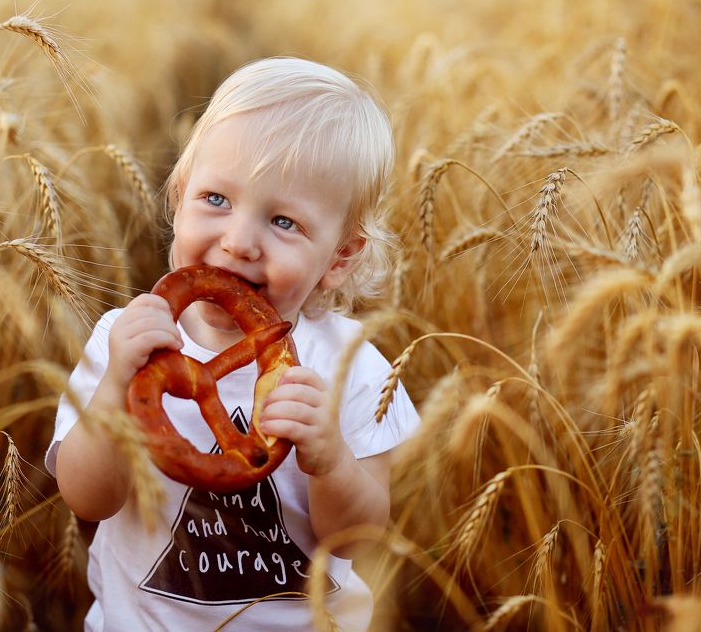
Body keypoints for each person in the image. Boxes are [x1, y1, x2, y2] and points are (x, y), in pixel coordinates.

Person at [45, 57, 420, 630]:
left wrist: (331, 461)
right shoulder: (126, 341)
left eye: (285, 222)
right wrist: (117, 386)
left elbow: (358, 539)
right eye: (216, 199)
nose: (239, 242)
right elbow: (88, 499)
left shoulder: (352, 366)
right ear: (179, 199)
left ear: (340, 257)